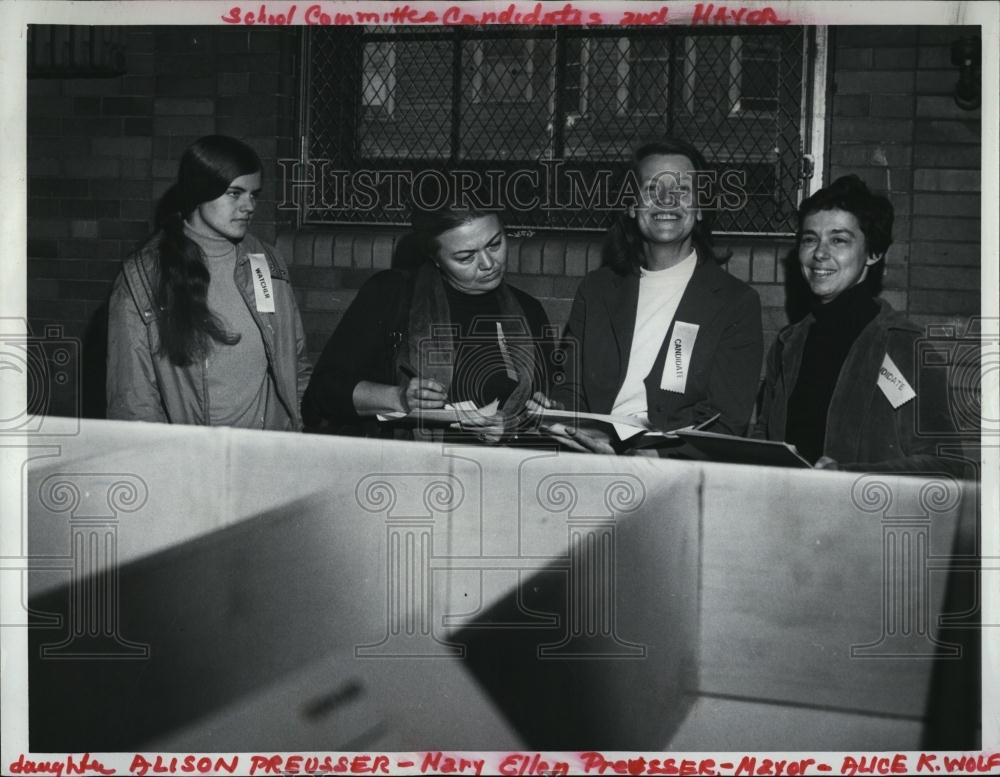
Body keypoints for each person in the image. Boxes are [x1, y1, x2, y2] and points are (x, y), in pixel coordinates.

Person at [543, 138, 763, 454]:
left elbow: (726, 422)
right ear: (632, 206)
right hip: (591, 453)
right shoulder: (597, 289)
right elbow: (570, 389)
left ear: (701, 208)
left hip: (671, 467)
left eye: (682, 190)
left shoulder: (735, 302)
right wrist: (556, 413)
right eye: (651, 189)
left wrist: (648, 456)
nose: (667, 200)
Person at [754, 174, 968, 474]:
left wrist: (849, 476)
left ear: (873, 253)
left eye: (838, 240)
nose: (819, 253)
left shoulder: (904, 346)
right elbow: (764, 437)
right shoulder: (786, 344)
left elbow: (948, 466)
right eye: (810, 239)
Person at [106, 135, 310, 430]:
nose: (249, 206)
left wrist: (298, 433)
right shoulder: (143, 276)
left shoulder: (264, 260)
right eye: (234, 193)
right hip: (194, 453)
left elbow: (295, 362)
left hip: (269, 449)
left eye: (253, 195)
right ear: (199, 191)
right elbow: (133, 402)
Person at [301, 205, 553, 442]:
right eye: (466, 257)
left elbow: (546, 407)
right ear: (436, 258)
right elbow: (323, 393)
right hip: (410, 466)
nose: (489, 264)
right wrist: (399, 398)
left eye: (495, 244)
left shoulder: (528, 311)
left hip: (500, 468)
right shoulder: (392, 295)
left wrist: (520, 423)